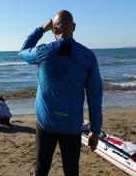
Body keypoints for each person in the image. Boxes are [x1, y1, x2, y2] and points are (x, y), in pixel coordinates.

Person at [19, 10, 103, 176]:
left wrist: (41, 29)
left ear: (54, 30)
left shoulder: (43, 51)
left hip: (46, 123)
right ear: (74, 27)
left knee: (41, 169)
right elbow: (95, 95)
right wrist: (95, 129)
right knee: (71, 171)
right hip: (71, 125)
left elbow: (22, 52)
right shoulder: (88, 56)